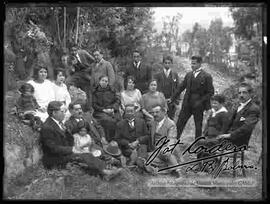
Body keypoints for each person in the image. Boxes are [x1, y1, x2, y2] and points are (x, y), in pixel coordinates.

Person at [40, 101, 122, 180]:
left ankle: (105, 169)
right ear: (54, 113)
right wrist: (72, 149)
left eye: (64, 111)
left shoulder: (58, 123)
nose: (64, 113)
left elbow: (68, 140)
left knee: (86, 153)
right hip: (55, 158)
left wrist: (68, 135)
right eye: (62, 111)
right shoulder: (47, 127)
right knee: (84, 155)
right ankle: (105, 172)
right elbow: (53, 149)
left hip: (64, 152)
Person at [170, 55, 214, 140]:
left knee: (198, 126)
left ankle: (197, 144)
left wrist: (201, 101)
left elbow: (210, 92)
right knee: (180, 123)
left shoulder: (207, 76)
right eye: (191, 63)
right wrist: (172, 98)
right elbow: (181, 87)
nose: (192, 65)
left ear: (200, 64)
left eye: (194, 63)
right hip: (187, 104)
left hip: (198, 106)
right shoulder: (189, 75)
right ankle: (175, 141)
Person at [137, 104, 181, 177]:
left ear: (164, 112)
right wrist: (138, 141)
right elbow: (148, 136)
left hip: (166, 149)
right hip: (155, 151)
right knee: (145, 158)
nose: (154, 114)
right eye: (153, 113)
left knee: (165, 153)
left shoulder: (170, 124)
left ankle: (177, 171)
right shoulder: (152, 123)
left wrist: (167, 149)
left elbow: (171, 138)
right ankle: (162, 168)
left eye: (157, 112)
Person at [217, 83, 260, 148]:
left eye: (244, 93)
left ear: (250, 94)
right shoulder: (238, 106)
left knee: (204, 146)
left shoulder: (253, 109)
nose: (241, 95)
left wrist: (229, 135)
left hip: (238, 142)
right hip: (226, 138)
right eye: (239, 93)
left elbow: (247, 128)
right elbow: (229, 123)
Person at [197, 94, 230, 167]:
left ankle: (214, 162)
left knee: (207, 144)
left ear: (221, 104)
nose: (213, 105)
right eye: (212, 103)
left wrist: (219, 137)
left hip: (218, 138)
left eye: (215, 103)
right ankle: (201, 165)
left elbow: (225, 129)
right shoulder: (213, 112)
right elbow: (208, 125)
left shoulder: (224, 114)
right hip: (209, 136)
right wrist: (204, 134)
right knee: (200, 142)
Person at [92, 75, 121, 142]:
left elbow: (118, 100)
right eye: (103, 80)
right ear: (99, 81)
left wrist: (113, 108)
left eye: (106, 81)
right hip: (100, 111)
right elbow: (94, 104)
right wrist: (104, 110)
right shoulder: (95, 91)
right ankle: (110, 140)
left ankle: (119, 140)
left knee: (119, 119)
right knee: (109, 121)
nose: (104, 82)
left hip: (112, 110)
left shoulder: (112, 89)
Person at [66, 46, 95, 112]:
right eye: (72, 51)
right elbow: (70, 72)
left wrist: (91, 70)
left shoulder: (83, 53)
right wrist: (73, 66)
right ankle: (68, 101)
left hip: (87, 71)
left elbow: (93, 61)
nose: (73, 52)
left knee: (89, 89)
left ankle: (89, 108)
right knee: (68, 81)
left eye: (75, 50)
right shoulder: (69, 58)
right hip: (78, 74)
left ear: (78, 50)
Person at [154, 55, 180, 120]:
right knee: (160, 118)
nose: (167, 64)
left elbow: (177, 88)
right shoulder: (158, 75)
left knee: (170, 118)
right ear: (163, 64)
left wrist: (176, 100)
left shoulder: (175, 74)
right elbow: (155, 88)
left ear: (171, 64)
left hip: (171, 101)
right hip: (161, 100)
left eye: (169, 63)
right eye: (166, 63)